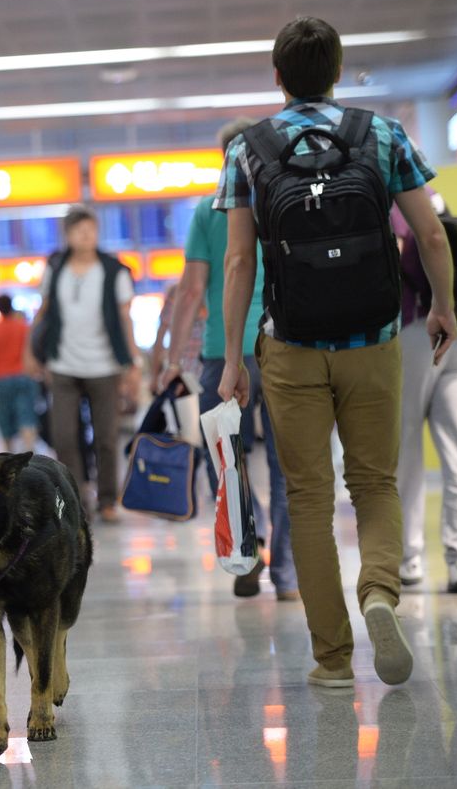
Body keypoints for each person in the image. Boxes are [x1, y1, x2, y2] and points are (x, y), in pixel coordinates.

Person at [217, 17, 457, 688]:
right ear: (338, 70)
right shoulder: (379, 134)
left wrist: (235, 359)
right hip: (374, 339)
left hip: (290, 345)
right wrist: (442, 307)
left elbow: (239, 261)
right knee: (374, 482)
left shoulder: (249, 149)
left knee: (309, 497)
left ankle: (333, 660)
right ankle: (379, 591)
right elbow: (431, 236)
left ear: (277, 76)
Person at [158, 118, 298, 602]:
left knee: (227, 463)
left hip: (222, 353)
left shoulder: (207, 209)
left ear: (223, 158)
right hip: (284, 347)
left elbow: (191, 289)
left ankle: (246, 549)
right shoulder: (285, 202)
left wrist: (175, 357)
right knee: (288, 466)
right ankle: (286, 575)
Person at [31, 205, 142, 524]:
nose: (87, 235)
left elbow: (125, 318)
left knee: (107, 437)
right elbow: (44, 309)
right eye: (80, 230)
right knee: (63, 436)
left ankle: (108, 500)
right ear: (67, 235)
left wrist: (132, 363)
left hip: (106, 366)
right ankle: (75, 499)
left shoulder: (114, 270)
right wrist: (32, 352)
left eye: (91, 229)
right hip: (62, 363)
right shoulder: (56, 267)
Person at [390, 191, 457, 593]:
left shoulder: (392, 205)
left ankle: (410, 559)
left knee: (408, 450)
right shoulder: (434, 197)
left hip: (418, 329)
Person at [0, 294, 39, 453]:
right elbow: (33, 352)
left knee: (4, 418)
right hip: (23, 376)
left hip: (1, 380)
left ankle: (9, 456)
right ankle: (30, 453)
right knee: (27, 415)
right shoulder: (24, 327)